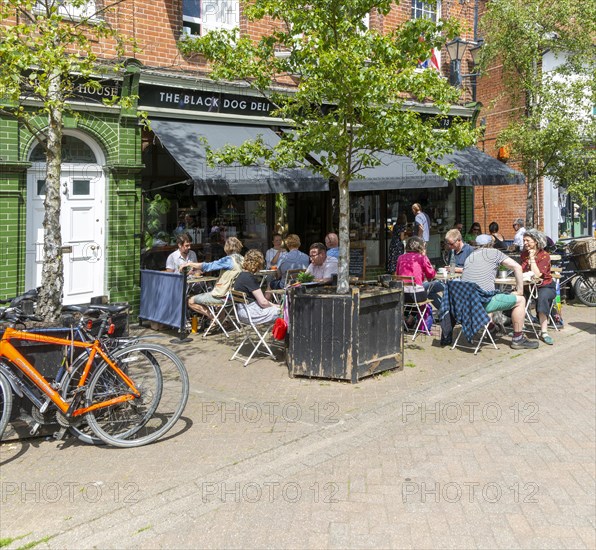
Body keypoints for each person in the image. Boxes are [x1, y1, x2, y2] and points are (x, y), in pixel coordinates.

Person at [461, 234, 538, 349]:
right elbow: (517, 267)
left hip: (467, 304)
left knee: (488, 293)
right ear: (491, 244)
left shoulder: (469, 257)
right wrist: (520, 291)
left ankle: (491, 328)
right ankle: (518, 338)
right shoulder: (494, 253)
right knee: (521, 300)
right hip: (483, 302)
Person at [180, 237, 244, 323]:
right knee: (217, 295)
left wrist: (190, 264)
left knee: (190, 301)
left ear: (226, 247)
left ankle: (216, 320)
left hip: (224, 297)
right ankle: (222, 322)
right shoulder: (242, 260)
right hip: (236, 296)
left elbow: (209, 266)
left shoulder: (228, 260)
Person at [520, 229, 556, 345]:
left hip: (545, 286)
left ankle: (544, 332)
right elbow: (521, 270)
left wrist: (531, 259)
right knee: (516, 296)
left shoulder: (544, 255)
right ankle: (518, 329)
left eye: (527, 240)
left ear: (535, 241)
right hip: (529, 286)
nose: (525, 243)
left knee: (542, 298)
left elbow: (537, 275)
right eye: (524, 240)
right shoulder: (524, 254)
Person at [233, 250, 280, 324]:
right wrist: (278, 306)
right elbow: (263, 303)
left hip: (242, 313)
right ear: (258, 264)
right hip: (252, 314)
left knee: (280, 310)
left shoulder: (241, 275)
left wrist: (275, 306)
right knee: (284, 312)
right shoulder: (249, 278)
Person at [396, 236, 436, 304]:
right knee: (434, 287)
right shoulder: (422, 258)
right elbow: (431, 275)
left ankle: (412, 314)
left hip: (402, 295)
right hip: (417, 295)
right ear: (421, 247)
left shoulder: (400, 257)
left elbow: (397, 274)